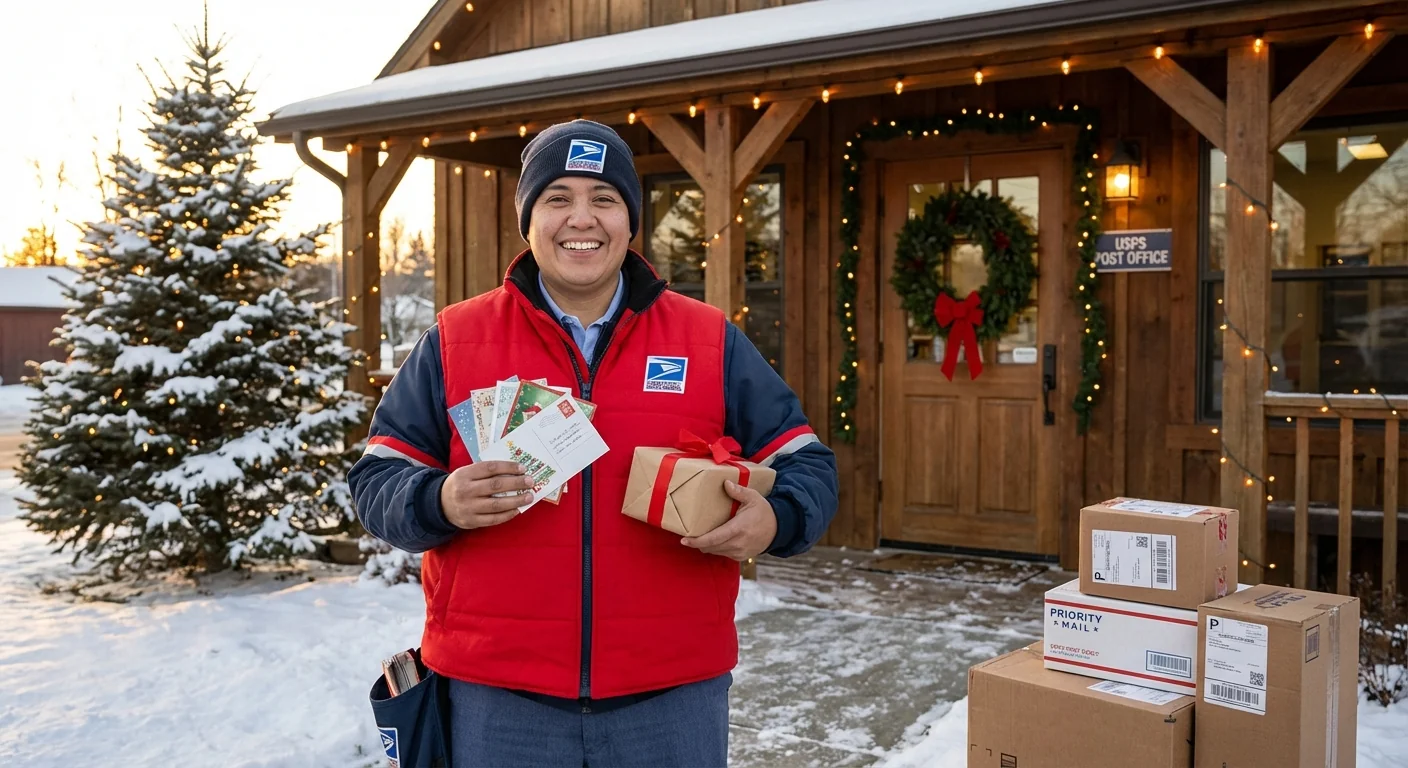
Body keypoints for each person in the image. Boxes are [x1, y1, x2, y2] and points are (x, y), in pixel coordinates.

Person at [348, 119, 838, 767]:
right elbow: (377, 478)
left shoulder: (708, 339)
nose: (583, 218)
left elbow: (808, 465)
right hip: (498, 699)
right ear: (528, 220)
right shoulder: (455, 338)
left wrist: (776, 518)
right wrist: (440, 500)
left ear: (632, 222)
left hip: (670, 698)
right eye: (558, 198)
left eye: (604, 199)